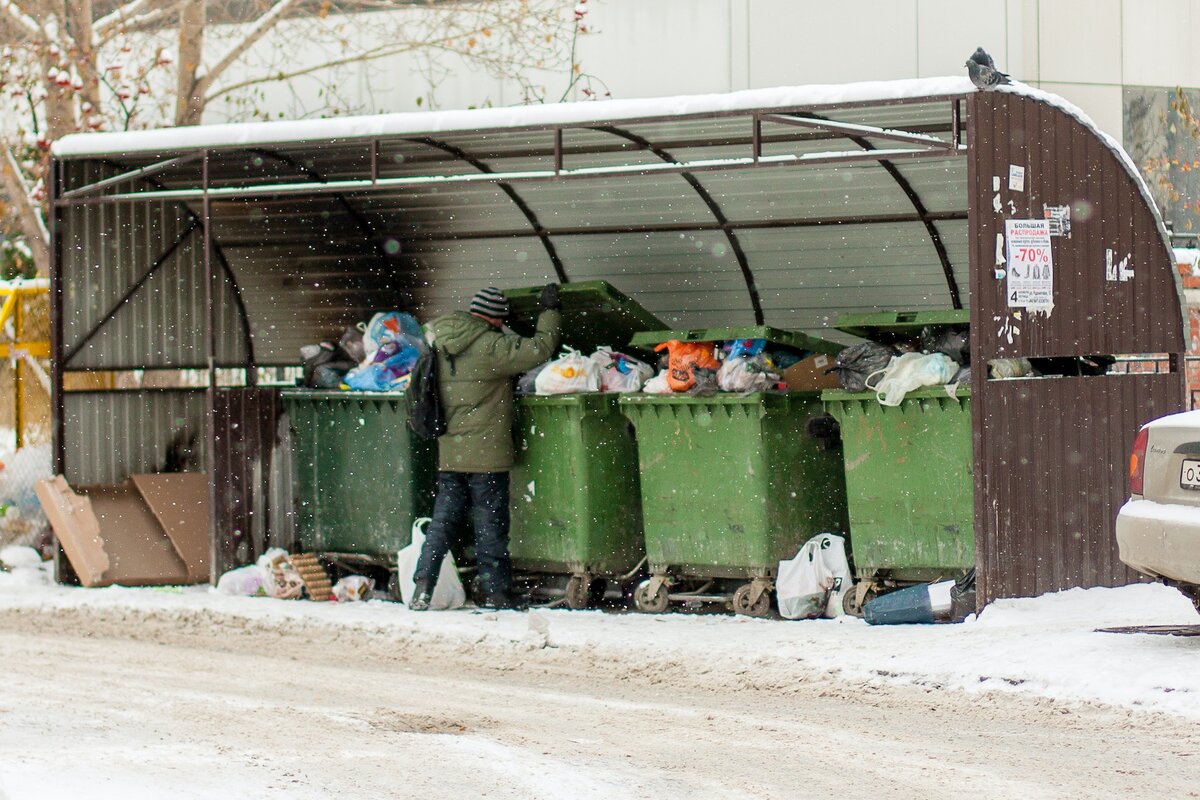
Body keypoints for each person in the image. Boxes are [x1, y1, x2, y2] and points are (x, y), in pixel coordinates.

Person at [410, 284, 562, 610]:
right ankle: (497, 594)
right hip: (487, 454)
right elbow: (541, 348)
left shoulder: (441, 342)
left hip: (451, 451)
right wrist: (549, 312)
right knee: (490, 524)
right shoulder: (492, 345)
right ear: (494, 319)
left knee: (442, 522)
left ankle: (423, 587)